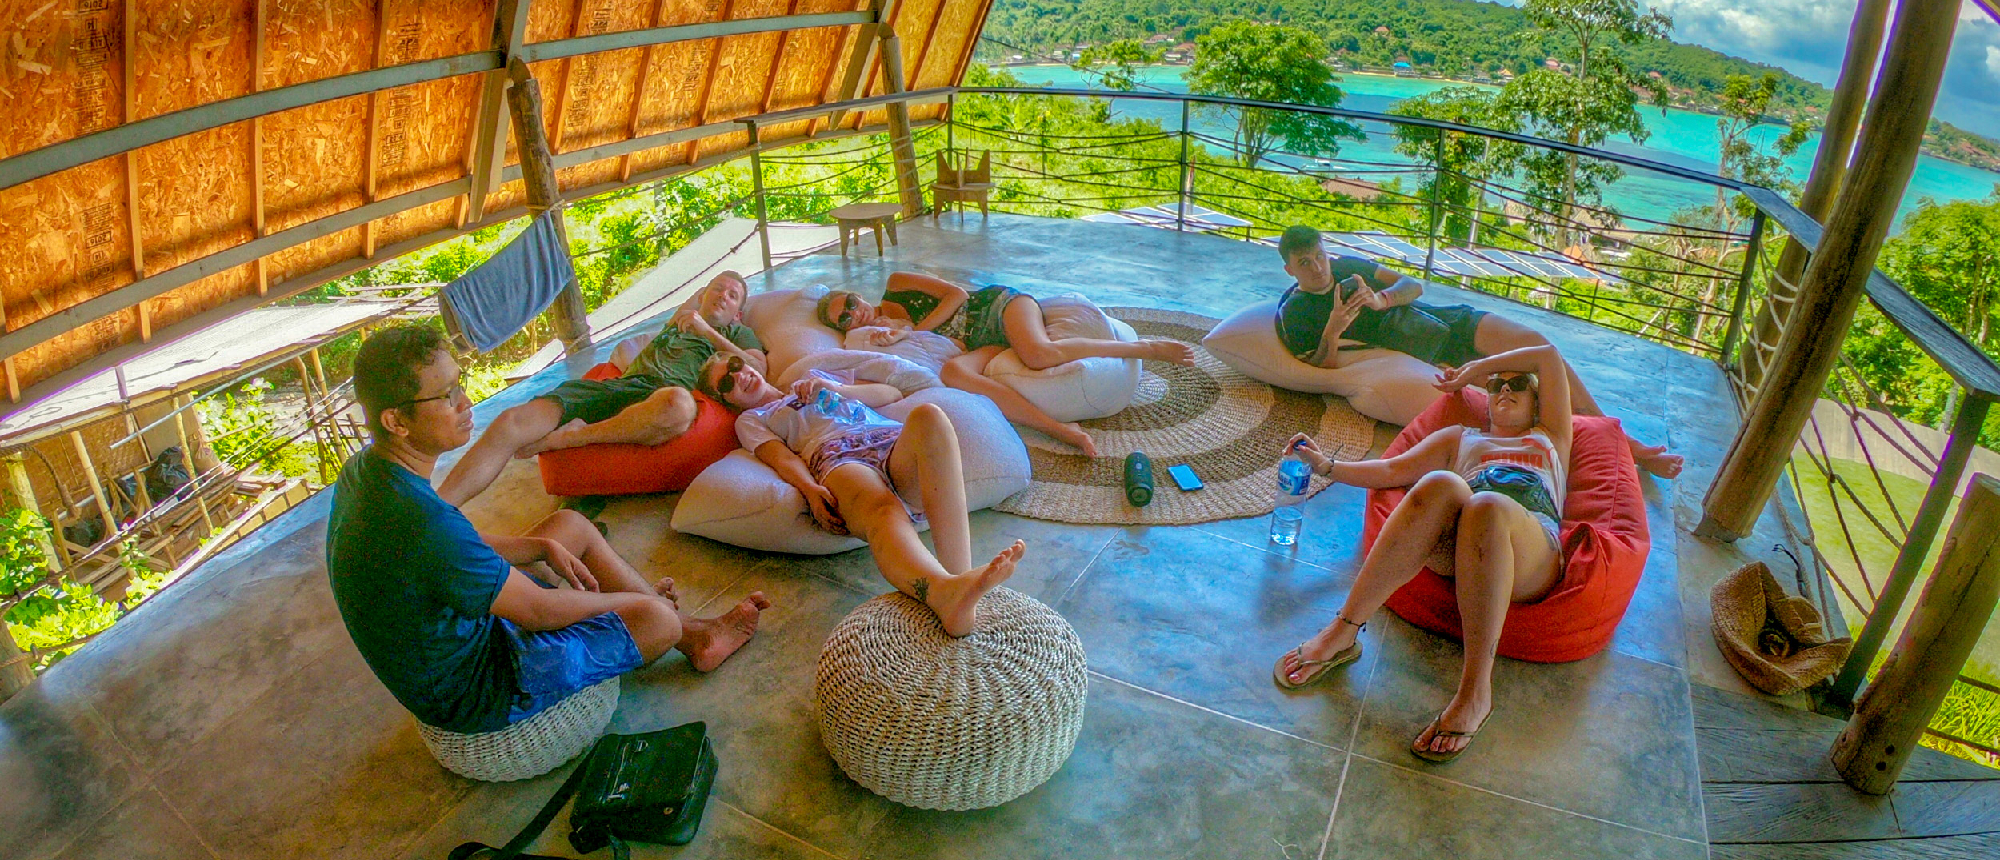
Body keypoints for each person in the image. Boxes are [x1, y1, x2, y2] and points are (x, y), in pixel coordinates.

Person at [327, 325, 768, 735]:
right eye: (445, 396)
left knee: (569, 527)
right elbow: (537, 611)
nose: (465, 403)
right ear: (395, 422)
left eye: (459, 384)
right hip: (478, 686)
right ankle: (686, 632)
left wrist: (537, 546)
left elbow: (449, 551)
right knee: (656, 621)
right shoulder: (421, 521)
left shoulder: (367, 473)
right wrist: (642, 602)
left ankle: (691, 634)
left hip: (452, 626)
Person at [1270, 343, 1575, 763]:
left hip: (1528, 552)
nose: (1503, 390)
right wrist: (1327, 467)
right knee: (1440, 484)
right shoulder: (1461, 438)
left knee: (1487, 505)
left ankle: (1475, 692)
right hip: (1461, 546)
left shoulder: (1552, 438)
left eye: (1517, 384)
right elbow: (1393, 470)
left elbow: (1548, 356)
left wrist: (1478, 369)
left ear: (1538, 402)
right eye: (1496, 387)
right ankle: (1343, 631)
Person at [1274, 225, 1681, 478]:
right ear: (1290, 269)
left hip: (1454, 319)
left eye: (1320, 256)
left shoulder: (1349, 266)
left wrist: (1381, 300)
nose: (1318, 268)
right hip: (1434, 350)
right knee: (1530, 393)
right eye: (1305, 263)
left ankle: (1618, 435)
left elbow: (1413, 286)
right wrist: (1333, 330)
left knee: (1544, 351)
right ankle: (1630, 451)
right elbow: (1321, 366)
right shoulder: (1297, 313)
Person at [696, 352, 1023, 638]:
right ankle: (943, 593)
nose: (738, 376)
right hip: (836, 456)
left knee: (930, 415)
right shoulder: (752, 419)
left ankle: (959, 579)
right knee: (882, 508)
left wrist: (836, 389)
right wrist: (809, 489)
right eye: (727, 383)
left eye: (736, 365)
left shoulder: (814, 378)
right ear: (729, 401)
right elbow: (779, 456)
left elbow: (889, 392)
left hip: (887, 439)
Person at [438, 272, 765, 506]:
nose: (723, 295)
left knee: (678, 406)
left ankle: (573, 437)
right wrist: (694, 313)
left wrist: (706, 329)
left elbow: (759, 369)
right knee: (512, 421)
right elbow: (690, 304)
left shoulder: (736, 334)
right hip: (618, 386)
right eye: (717, 288)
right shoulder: (680, 320)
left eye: (732, 295)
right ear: (703, 294)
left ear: (737, 313)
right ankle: (438, 511)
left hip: (658, 396)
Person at [815, 272, 1198, 457]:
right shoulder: (879, 332)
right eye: (844, 319)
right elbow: (940, 352)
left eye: (849, 303)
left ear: (855, 294)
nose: (854, 314)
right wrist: (898, 336)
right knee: (955, 374)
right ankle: (1060, 429)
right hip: (982, 340)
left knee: (1037, 354)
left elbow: (957, 294)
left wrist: (913, 329)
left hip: (997, 307)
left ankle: (1146, 348)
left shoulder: (895, 283)